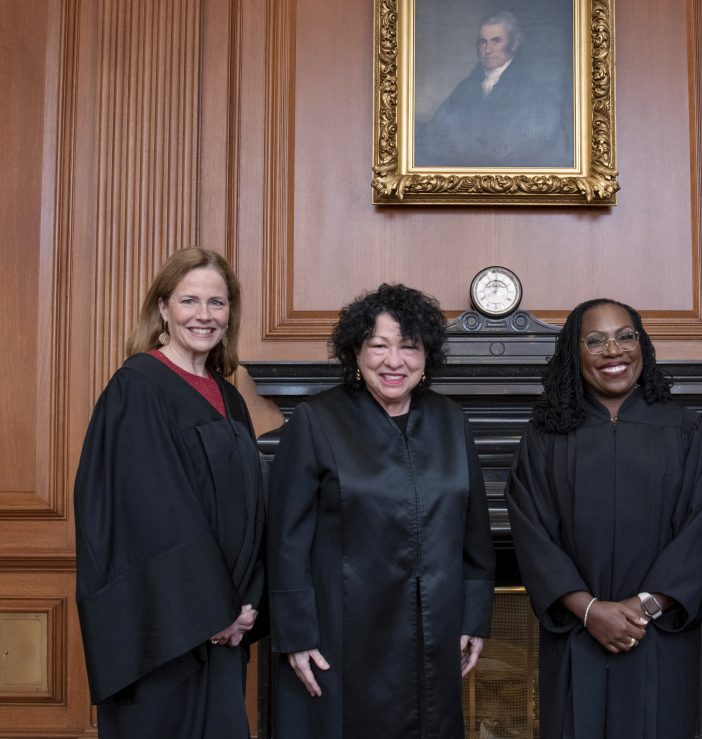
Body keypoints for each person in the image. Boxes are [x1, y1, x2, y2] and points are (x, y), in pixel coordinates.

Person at [267, 283, 495, 738]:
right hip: (342, 633)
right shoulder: (316, 421)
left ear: (427, 354)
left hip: (435, 627)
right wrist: (296, 634)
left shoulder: (452, 421)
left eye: (409, 347)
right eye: (379, 346)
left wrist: (474, 617)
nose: (395, 361)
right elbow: (286, 538)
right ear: (355, 351)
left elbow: (475, 534)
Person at [505, 298, 702, 738]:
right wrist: (588, 610)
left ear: (642, 345)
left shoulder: (685, 430)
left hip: (658, 637)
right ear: (575, 352)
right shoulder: (547, 436)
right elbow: (532, 531)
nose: (614, 350)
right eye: (596, 340)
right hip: (575, 636)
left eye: (626, 336)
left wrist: (643, 608)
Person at [74, 248, 265, 738]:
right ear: (162, 308)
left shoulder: (229, 398)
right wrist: (213, 607)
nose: (204, 315)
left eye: (217, 303)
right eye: (190, 300)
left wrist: (248, 604)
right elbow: (151, 510)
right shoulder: (138, 387)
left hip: (226, 624)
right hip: (167, 630)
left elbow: (251, 509)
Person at [415, 10, 572, 168]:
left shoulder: (534, 93)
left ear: (514, 44)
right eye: (483, 42)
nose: (487, 50)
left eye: (496, 41)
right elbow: (435, 133)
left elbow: (533, 148)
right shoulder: (466, 87)